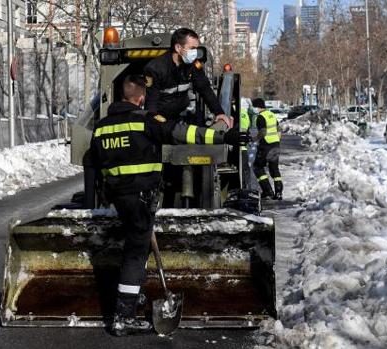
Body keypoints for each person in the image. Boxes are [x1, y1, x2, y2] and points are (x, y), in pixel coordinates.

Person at [89, 75, 249, 336]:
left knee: (135, 245)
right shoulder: (145, 121)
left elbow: (95, 162)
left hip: (119, 196)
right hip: (141, 196)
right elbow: (182, 133)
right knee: (136, 252)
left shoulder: (102, 127)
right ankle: (123, 316)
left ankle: (135, 294)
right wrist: (223, 137)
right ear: (141, 98)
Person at [144, 27, 232, 127]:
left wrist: (219, 112)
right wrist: (155, 125)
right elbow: (152, 102)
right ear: (178, 48)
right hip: (162, 119)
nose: (195, 53)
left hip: (181, 117)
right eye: (192, 49)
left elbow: (205, 88)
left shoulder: (193, 64)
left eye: (197, 48)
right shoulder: (155, 68)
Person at [251, 98, 282, 200]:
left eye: (254, 106)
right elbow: (279, 129)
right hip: (275, 145)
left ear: (257, 107)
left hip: (266, 146)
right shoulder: (271, 114)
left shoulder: (260, 117)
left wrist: (254, 139)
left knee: (258, 167)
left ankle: (267, 191)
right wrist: (277, 140)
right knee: (274, 168)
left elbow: (263, 132)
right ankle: (278, 192)